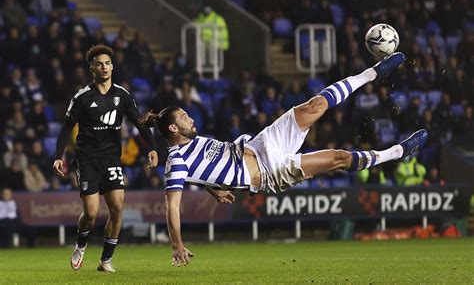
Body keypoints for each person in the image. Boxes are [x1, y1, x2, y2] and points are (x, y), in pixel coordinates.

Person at [139, 52, 429, 266]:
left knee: (314, 105)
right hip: (269, 172)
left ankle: (372, 73)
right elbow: (172, 206)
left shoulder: (193, 141)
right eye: (185, 118)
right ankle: (397, 153)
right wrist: (177, 243)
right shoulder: (176, 161)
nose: (191, 118)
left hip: (261, 144)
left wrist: (212, 188)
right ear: (174, 129)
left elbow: (203, 170)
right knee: (337, 158)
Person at [52, 44, 158, 272]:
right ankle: (81, 245)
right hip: (87, 158)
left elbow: (139, 123)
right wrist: (57, 155)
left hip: (111, 158)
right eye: (99, 64)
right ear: (92, 68)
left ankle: (105, 261)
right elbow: (66, 128)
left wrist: (152, 147)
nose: (104, 67)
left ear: (113, 66)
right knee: (91, 213)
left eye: (108, 63)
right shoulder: (82, 97)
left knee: (117, 208)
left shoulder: (122, 95)